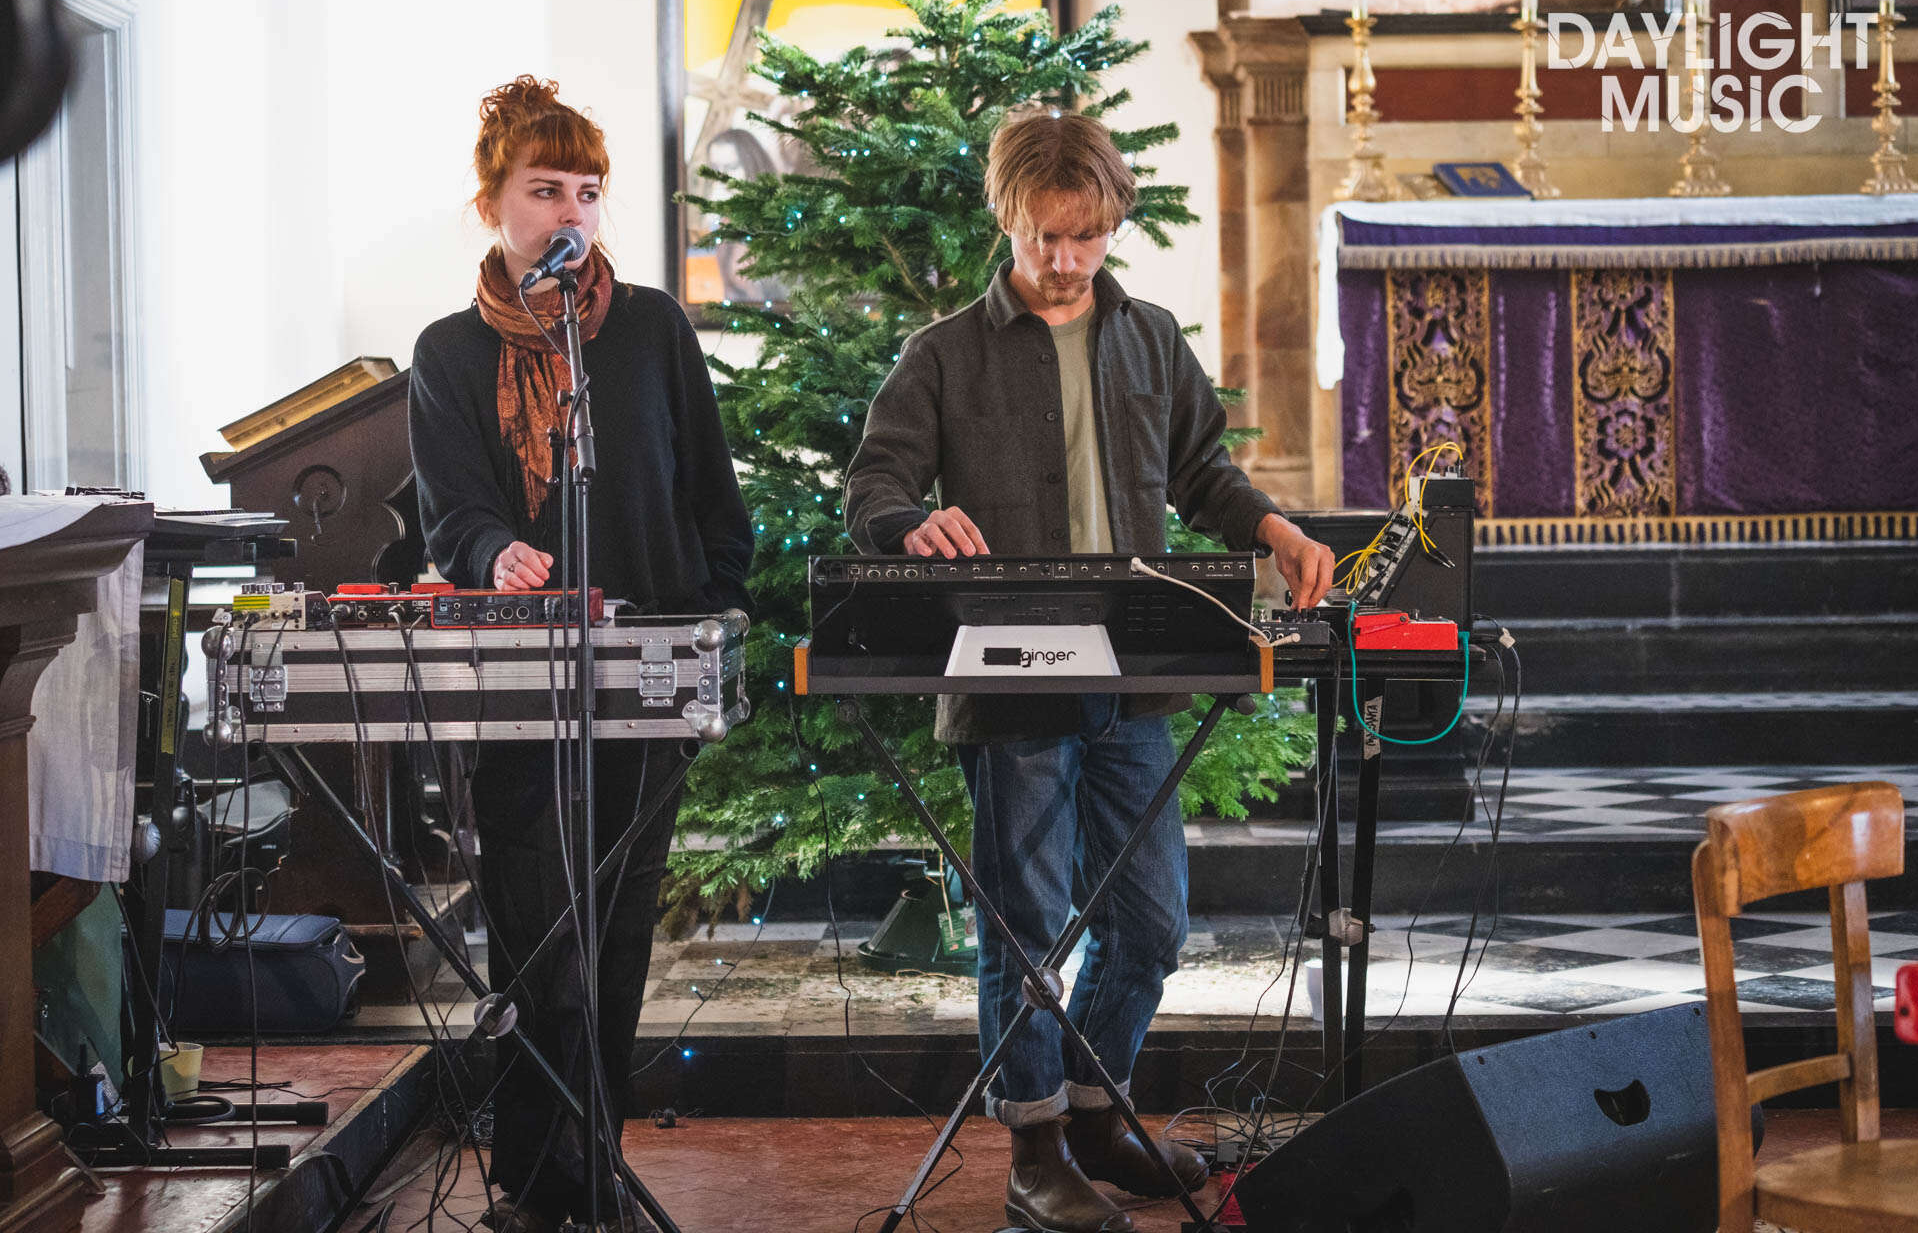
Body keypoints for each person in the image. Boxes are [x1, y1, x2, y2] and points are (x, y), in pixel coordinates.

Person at [843, 108, 1334, 1233]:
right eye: (1044, 239)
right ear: (1006, 219)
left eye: (1087, 238)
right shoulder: (941, 354)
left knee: (1153, 920)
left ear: (1113, 222)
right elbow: (872, 487)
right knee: (1024, 921)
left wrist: (1276, 531)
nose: (1065, 262)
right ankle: (1035, 1150)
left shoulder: (1150, 336)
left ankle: (1097, 1109)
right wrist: (910, 523)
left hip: (1135, 675)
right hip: (1009, 679)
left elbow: (1205, 471)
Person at [409, 75, 753, 1233]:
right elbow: (449, 512)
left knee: (613, 927)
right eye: (543, 188)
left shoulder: (652, 325)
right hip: (519, 676)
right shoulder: (448, 351)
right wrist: (497, 549)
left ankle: (591, 1154)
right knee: (536, 924)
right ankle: (532, 1167)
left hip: (647, 672)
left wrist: (706, 611)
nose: (568, 211)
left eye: (587, 192)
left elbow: (714, 494)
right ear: (493, 202)